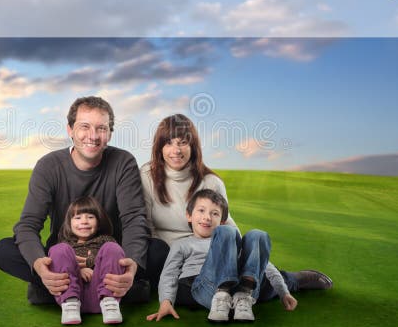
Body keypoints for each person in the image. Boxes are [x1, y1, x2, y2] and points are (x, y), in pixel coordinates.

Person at [140, 113, 332, 308]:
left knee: (248, 287)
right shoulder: (148, 176)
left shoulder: (211, 182)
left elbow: (229, 229)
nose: (176, 150)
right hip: (170, 254)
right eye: (168, 143)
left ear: (193, 147)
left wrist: (248, 261)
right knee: (155, 253)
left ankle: (290, 280)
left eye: (182, 143)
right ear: (159, 147)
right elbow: (144, 224)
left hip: (210, 254)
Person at [0, 96, 150, 304]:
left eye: (101, 128)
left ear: (110, 133)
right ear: (70, 130)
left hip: (110, 258)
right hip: (63, 257)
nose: (93, 136)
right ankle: (88, 290)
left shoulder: (123, 161)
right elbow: (28, 225)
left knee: (157, 251)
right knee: (3, 250)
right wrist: (40, 265)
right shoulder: (49, 166)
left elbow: (133, 219)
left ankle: (65, 293)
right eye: (84, 126)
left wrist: (130, 265)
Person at [148, 189, 295, 322]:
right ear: (189, 215)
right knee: (227, 232)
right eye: (201, 210)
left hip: (239, 289)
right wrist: (166, 301)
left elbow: (264, 266)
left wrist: (283, 292)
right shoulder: (182, 244)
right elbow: (169, 273)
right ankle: (221, 294)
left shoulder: (232, 241)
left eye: (215, 213)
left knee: (257, 235)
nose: (207, 217)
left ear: (222, 220)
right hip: (204, 288)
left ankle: (244, 296)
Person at [49, 196, 124, 325]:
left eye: (90, 217)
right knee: (57, 250)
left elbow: (111, 261)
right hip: (72, 293)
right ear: (69, 223)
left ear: (99, 222)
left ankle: (110, 302)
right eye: (77, 218)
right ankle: (70, 302)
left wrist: (91, 262)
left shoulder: (105, 240)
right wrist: (80, 269)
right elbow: (63, 265)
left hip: (100, 293)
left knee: (113, 249)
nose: (84, 221)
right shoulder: (67, 245)